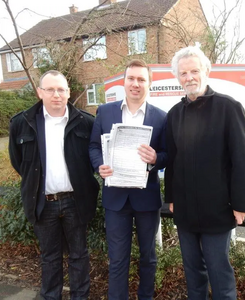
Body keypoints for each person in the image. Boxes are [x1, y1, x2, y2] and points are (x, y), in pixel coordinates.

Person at [165, 46, 245, 300]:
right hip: (184, 210)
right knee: (193, 275)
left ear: (206, 71)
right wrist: (171, 197)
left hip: (218, 209)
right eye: (183, 73)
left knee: (220, 274)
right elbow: (172, 160)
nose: (189, 77)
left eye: (194, 71)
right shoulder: (175, 114)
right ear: (178, 78)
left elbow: (242, 159)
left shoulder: (228, 107)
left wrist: (241, 204)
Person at [8, 70, 100, 299]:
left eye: (61, 89)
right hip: (43, 203)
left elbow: (94, 158)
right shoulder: (22, 123)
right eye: (50, 89)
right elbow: (19, 163)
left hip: (75, 202)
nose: (56, 94)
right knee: (50, 257)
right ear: (40, 92)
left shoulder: (86, 123)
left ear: (68, 93)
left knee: (79, 255)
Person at [89, 59, 167, 300]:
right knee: (118, 259)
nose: (135, 84)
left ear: (149, 84)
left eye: (141, 79)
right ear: (124, 82)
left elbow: (168, 154)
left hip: (146, 199)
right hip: (116, 199)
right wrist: (98, 165)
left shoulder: (162, 117)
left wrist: (156, 158)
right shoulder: (105, 111)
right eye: (131, 78)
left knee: (148, 258)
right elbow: (93, 146)